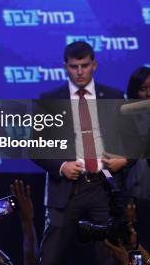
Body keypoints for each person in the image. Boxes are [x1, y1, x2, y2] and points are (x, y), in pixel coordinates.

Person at [33, 41, 128, 264]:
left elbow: (132, 140)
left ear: (94, 65)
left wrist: (125, 160)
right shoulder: (50, 100)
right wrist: (60, 166)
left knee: (111, 255)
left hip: (103, 187)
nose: (79, 72)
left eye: (84, 65)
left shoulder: (113, 96)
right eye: (74, 66)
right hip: (67, 188)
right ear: (65, 66)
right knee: (50, 256)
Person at [124, 66, 150, 256]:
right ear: (134, 91)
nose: (148, 94)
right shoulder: (122, 120)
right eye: (142, 89)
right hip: (128, 197)